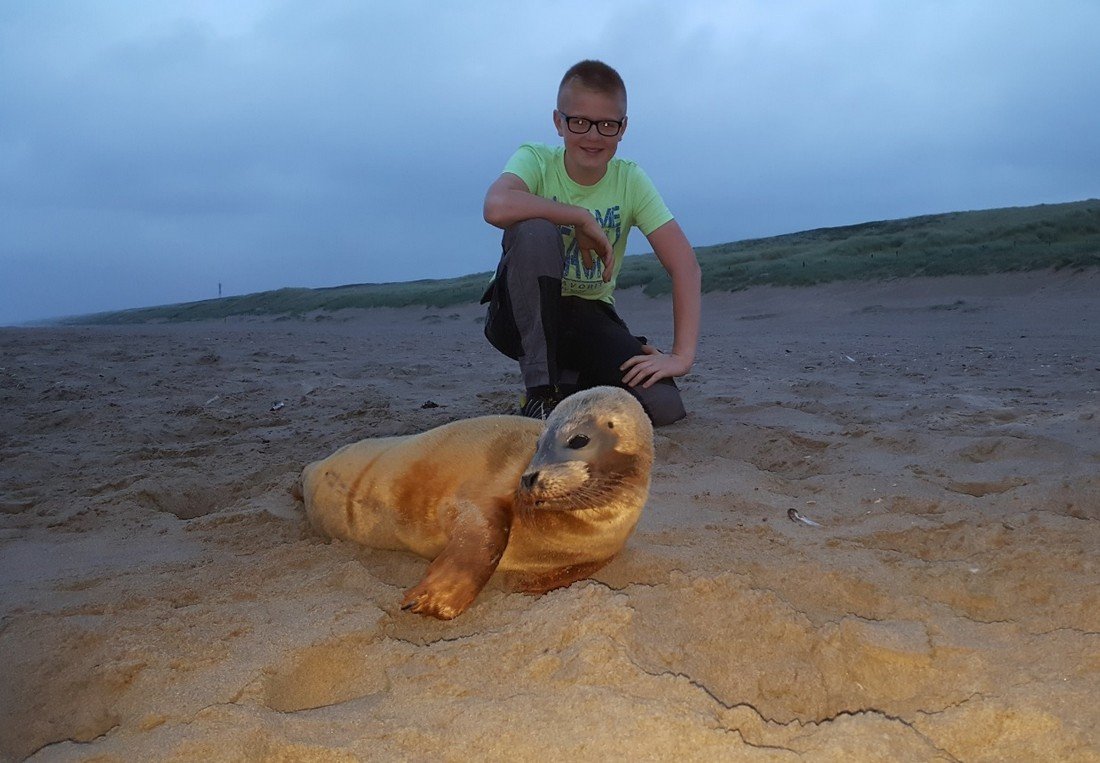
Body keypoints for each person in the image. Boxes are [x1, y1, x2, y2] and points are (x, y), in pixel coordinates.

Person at [481, 59, 701, 426]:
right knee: (535, 229)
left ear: (623, 128)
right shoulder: (536, 160)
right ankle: (540, 394)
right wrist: (577, 216)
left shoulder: (629, 180)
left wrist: (681, 356)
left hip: (585, 317)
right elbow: (496, 205)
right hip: (518, 316)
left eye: (607, 125)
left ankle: (568, 384)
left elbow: (685, 266)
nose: (593, 136)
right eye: (579, 121)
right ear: (558, 121)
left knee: (663, 406)